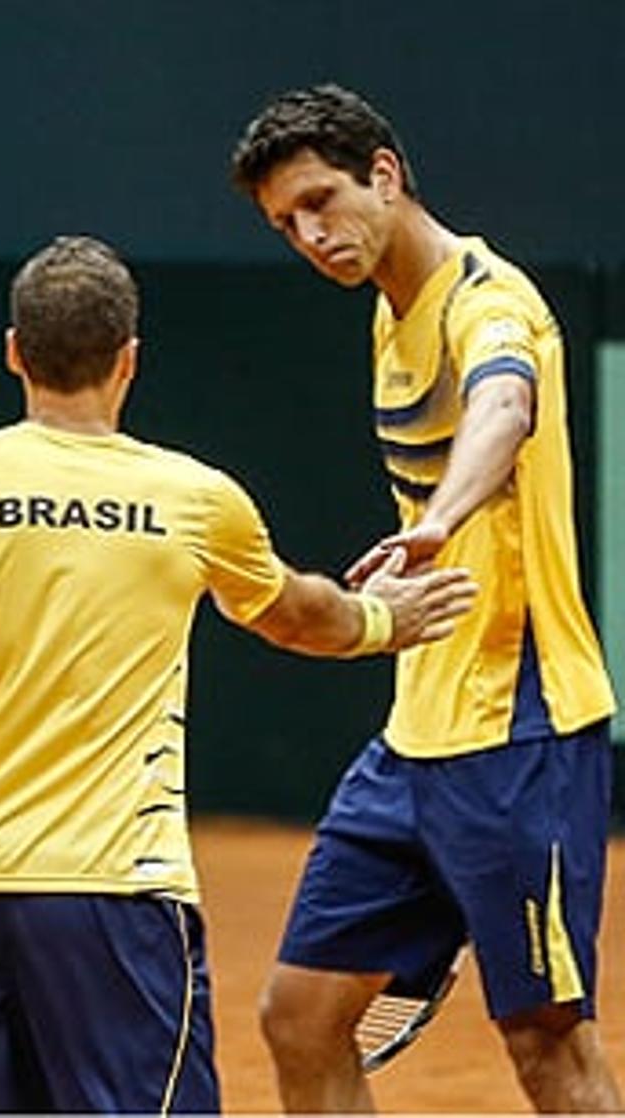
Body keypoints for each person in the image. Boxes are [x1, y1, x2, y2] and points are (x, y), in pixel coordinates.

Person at [0, 235, 476, 1114]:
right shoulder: (196, 498)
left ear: (16, 352)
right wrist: (384, 621)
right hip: (119, 893)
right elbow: (297, 617)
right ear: (129, 361)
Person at [229, 83, 621, 1113]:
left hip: (522, 732)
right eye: (286, 224)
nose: (311, 234)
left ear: (386, 175)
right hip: (416, 738)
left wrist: (440, 517)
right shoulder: (387, 316)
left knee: (546, 1042)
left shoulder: (494, 299)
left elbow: (503, 405)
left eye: (321, 200)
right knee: (301, 1014)